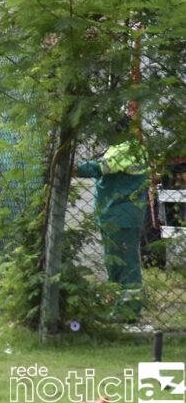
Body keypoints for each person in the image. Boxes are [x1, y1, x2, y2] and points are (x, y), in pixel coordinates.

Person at [76, 120, 149, 321]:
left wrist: (73, 168)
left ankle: (129, 310)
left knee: (125, 263)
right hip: (118, 215)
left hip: (121, 215)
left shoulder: (125, 149)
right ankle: (119, 307)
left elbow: (99, 168)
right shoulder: (130, 148)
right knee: (115, 261)